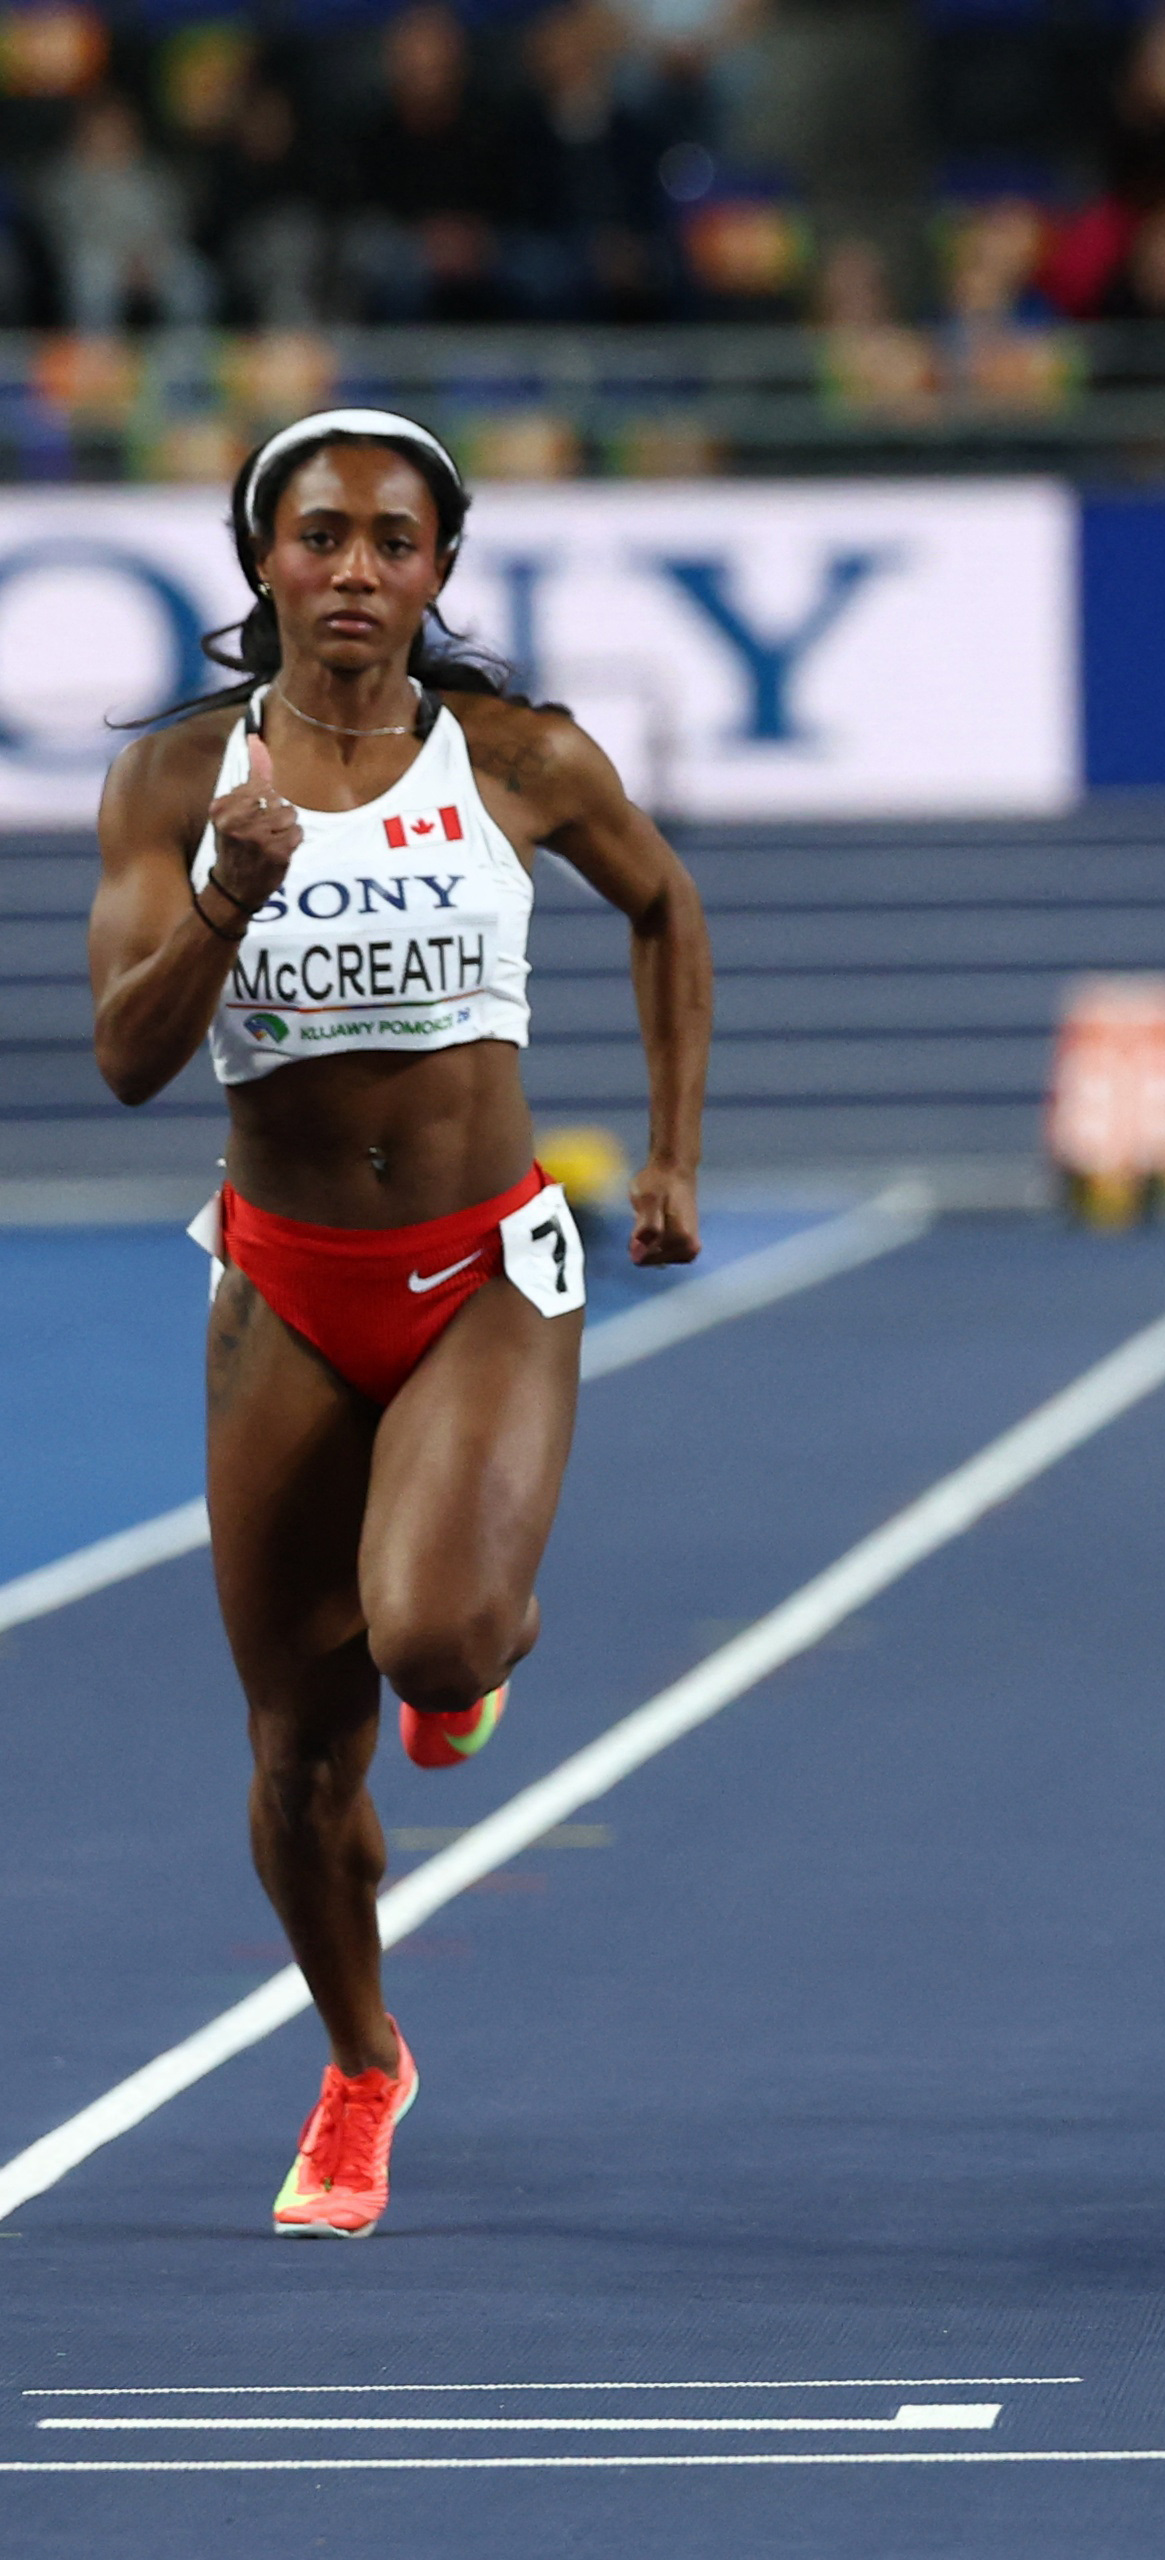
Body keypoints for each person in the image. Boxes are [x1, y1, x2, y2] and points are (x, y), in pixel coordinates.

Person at [85, 409, 712, 2236]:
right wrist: (226, 893)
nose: (354, 570)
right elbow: (129, 1058)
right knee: (296, 1752)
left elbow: (666, 906)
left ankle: (466, 1660)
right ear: (259, 558)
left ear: (440, 569)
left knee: (433, 1643)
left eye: (392, 541)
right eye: (319, 537)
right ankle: (362, 2066)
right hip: (283, 1281)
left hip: (480, 1269)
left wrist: (670, 1153)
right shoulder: (175, 785)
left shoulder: (518, 756)